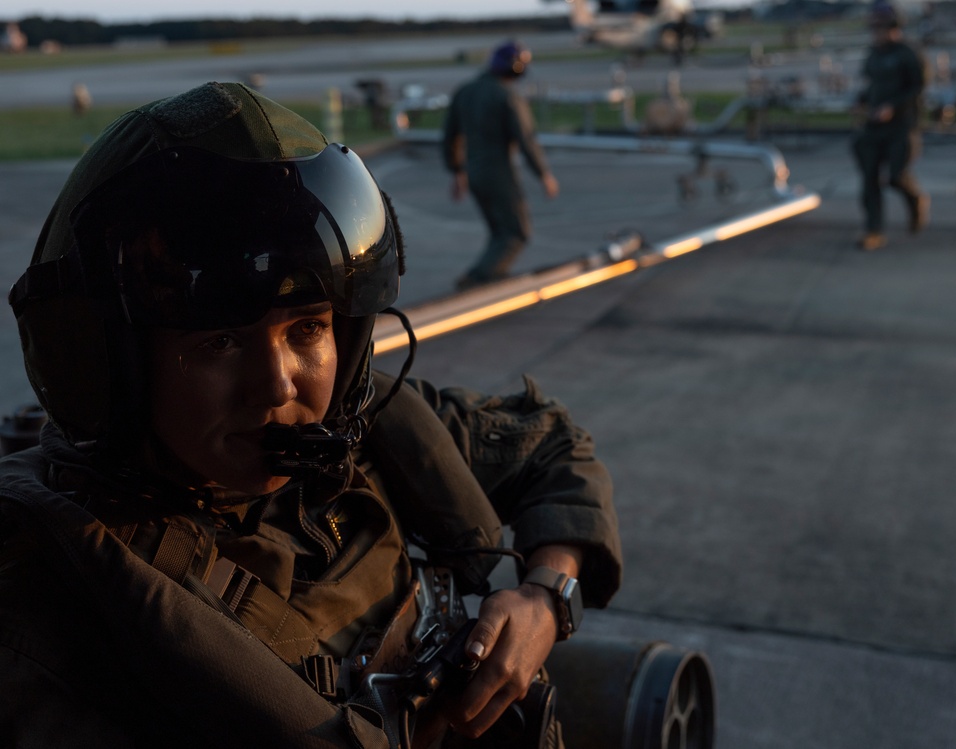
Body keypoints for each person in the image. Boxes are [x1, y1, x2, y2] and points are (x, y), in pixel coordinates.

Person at [0, 82, 622, 748]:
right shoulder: (47, 595)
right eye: (220, 341)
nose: (276, 386)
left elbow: (553, 445)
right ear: (110, 364)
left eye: (306, 330)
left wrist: (546, 595)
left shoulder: (365, 439)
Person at [443, 41, 560, 291]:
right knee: (517, 232)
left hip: (474, 173)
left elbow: (450, 136)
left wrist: (457, 171)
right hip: (498, 172)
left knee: (499, 232)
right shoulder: (507, 96)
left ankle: (485, 276)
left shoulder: (465, 91)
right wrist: (544, 174)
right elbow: (525, 139)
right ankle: (479, 280)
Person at [851, 1, 930, 252]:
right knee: (869, 179)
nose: (878, 33)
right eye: (874, 28)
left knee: (896, 177)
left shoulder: (908, 54)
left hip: (902, 127)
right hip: (874, 127)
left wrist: (893, 107)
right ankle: (873, 230)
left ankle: (916, 200)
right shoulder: (874, 54)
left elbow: (917, 87)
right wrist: (861, 101)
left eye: (882, 27)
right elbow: (873, 86)